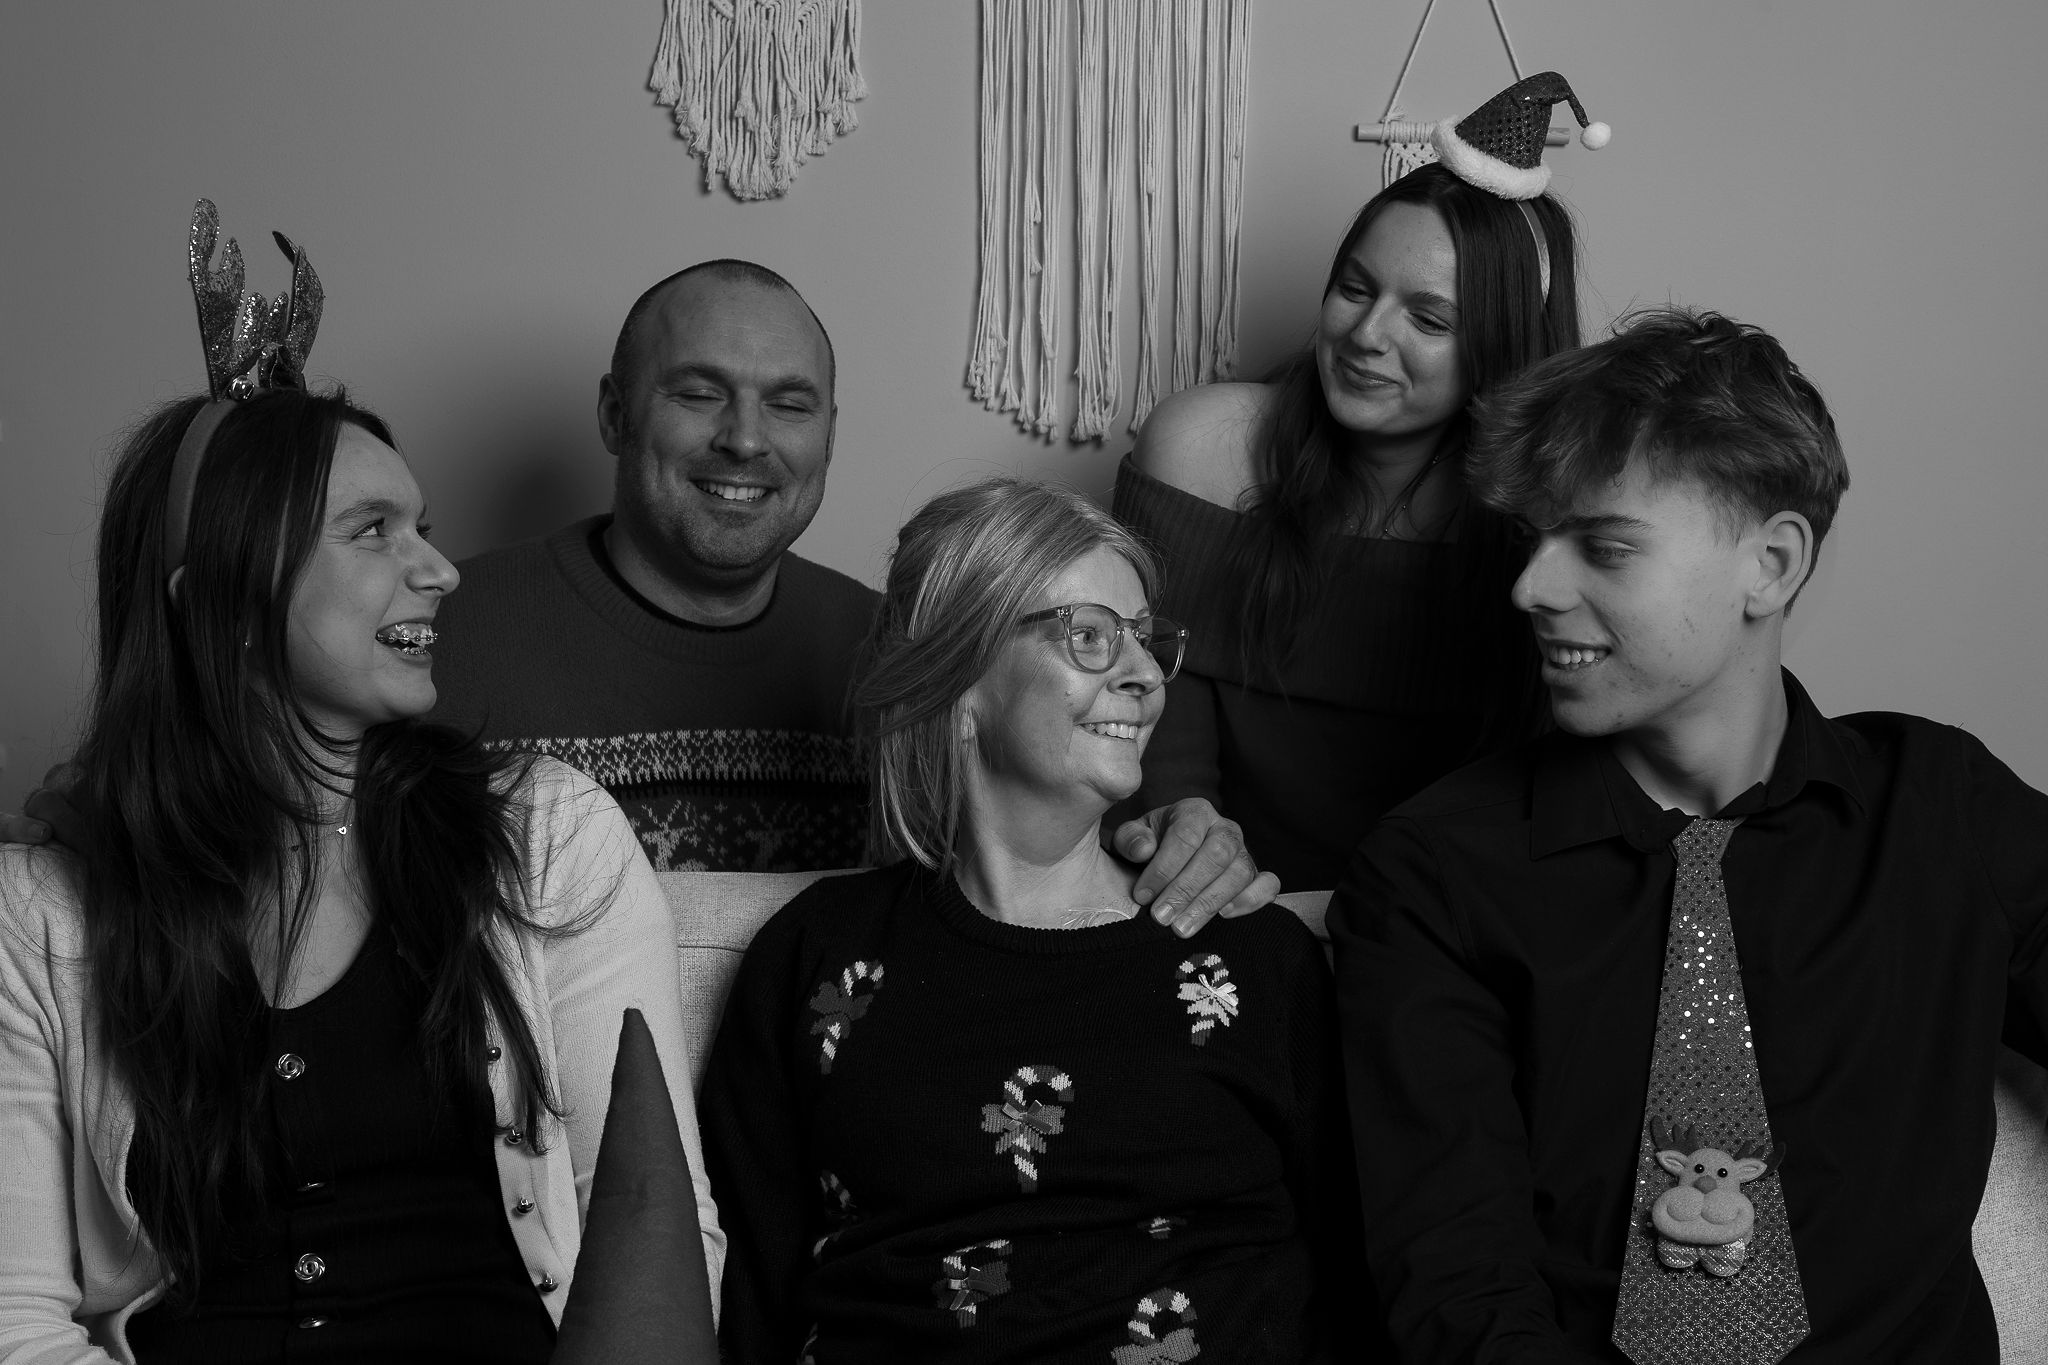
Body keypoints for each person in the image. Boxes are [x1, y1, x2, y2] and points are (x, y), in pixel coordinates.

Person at [0, 209, 720, 1360]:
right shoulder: (42, 914)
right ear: (221, 601)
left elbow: (654, 1238)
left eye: (422, 527)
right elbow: (15, 1318)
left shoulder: (549, 835)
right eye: (373, 531)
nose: (438, 570)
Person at [1332, 308, 2048, 1361]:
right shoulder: (1434, 872)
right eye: (1533, 539)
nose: (1530, 588)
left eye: (1603, 547)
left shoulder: (1943, 807)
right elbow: (1457, 1286)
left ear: (1771, 565)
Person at [701, 478, 1377, 1362]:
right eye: (1091, 635)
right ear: (960, 677)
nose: (1145, 676)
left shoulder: (1250, 953)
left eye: (1146, 640)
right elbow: (747, 1297)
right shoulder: (815, 958)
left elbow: (1356, 1280)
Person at [424, 257, 1277, 927]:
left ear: (830, 435)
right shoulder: (450, 632)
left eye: (790, 405)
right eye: (699, 394)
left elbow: (1025, 862)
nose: (745, 439)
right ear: (616, 414)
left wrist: (1167, 841)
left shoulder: (909, 656)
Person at [1116, 83, 1600, 890]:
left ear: (1504, 348)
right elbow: (1150, 696)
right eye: (1355, 288)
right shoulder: (1198, 448)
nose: (1367, 335)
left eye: (1430, 319)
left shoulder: (1549, 517)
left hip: (1438, 911)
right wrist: (1187, 831)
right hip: (1210, 900)